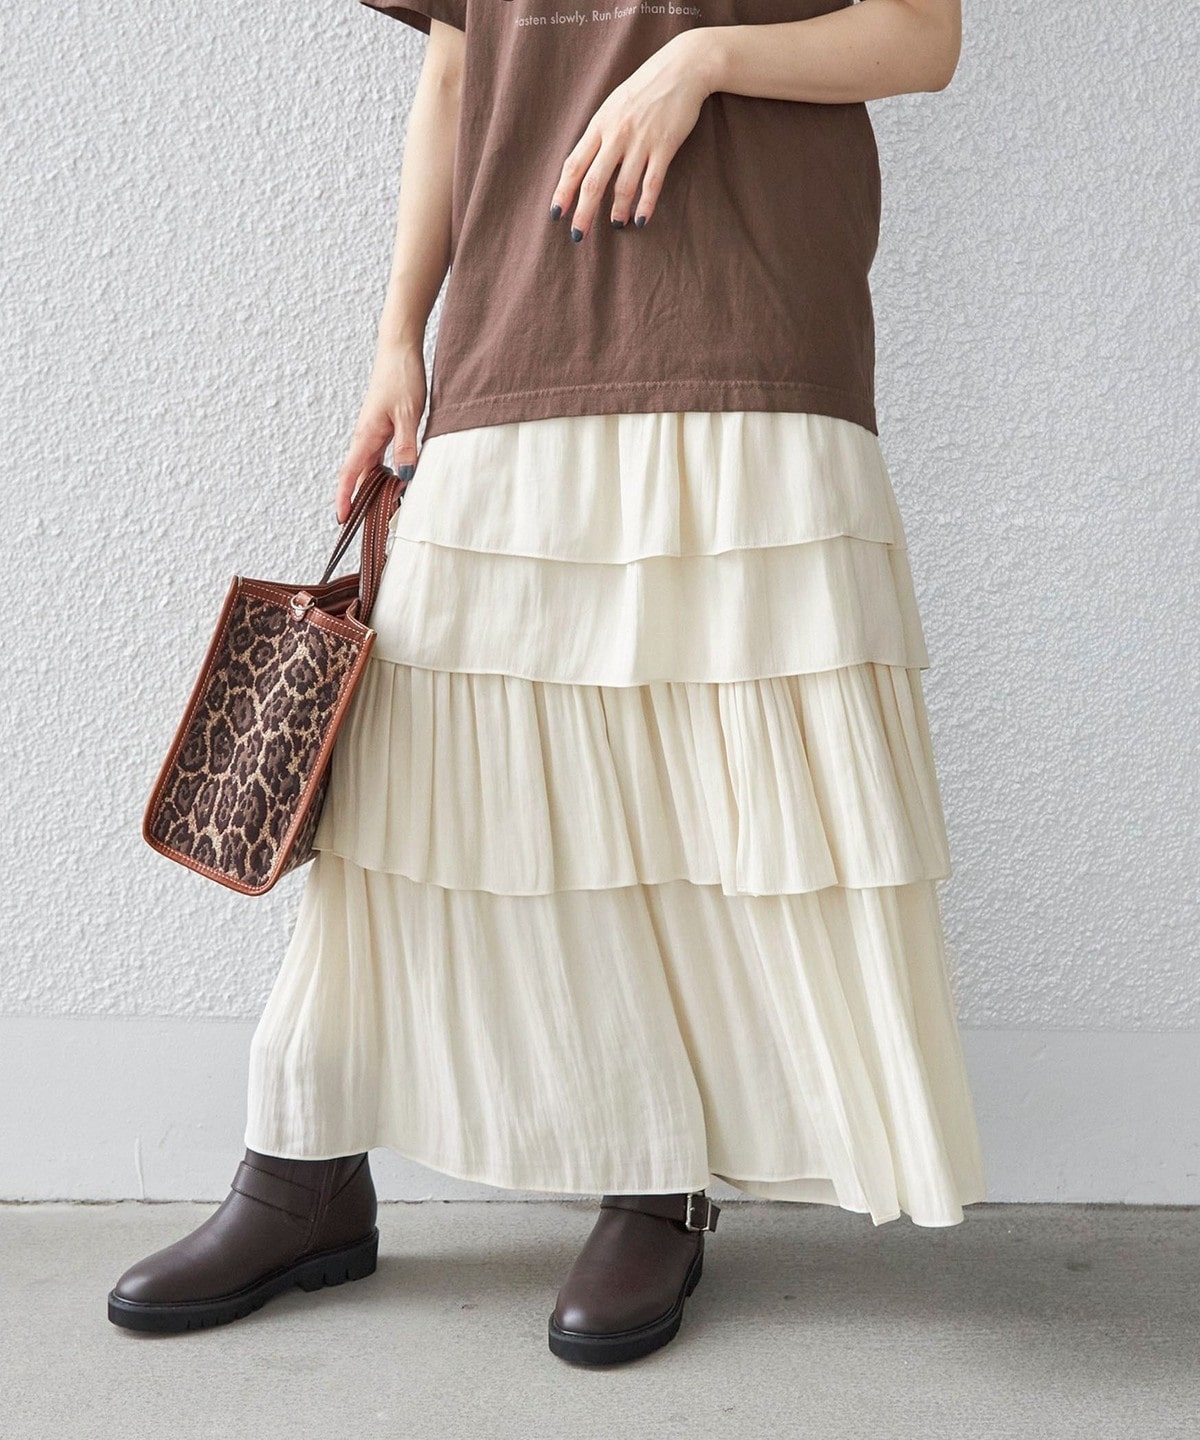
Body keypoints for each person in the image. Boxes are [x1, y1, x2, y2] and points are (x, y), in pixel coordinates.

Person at [108, 0, 985, 1365]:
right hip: (513, 334)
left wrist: (705, 59)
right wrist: (398, 337)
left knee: (691, 786)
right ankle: (304, 1164)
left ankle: (657, 1175)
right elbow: (459, 64)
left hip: (745, 326)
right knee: (410, 788)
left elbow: (920, 34)